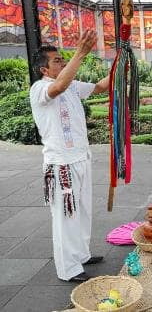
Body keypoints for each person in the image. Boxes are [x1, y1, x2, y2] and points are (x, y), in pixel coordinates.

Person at [30, 30, 110, 282]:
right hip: (61, 163)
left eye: (61, 59)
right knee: (65, 217)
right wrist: (80, 54)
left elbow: (99, 87)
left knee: (83, 211)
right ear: (44, 69)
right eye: (56, 60)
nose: (62, 62)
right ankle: (68, 269)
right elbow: (59, 86)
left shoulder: (72, 84)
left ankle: (81, 255)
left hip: (81, 158)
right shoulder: (40, 89)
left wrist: (121, 64)